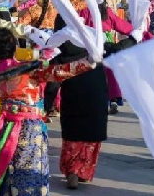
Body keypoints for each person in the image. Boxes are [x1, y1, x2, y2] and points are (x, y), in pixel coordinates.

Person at [0, 29, 94, 196]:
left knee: (5, 169)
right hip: (31, 128)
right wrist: (87, 63)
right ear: (15, 47)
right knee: (31, 170)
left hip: (4, 128)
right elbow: (58, 71)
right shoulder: (29, 69)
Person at [52, 16, 110, 190]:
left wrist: (47, 104)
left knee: (73, 134)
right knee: (90, 134)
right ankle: (83, 171)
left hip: (74, 92)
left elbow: (53, 78)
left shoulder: (60, 45)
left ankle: (72, 171)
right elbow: (116, 48)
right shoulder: (93, 39)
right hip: (97, 90)